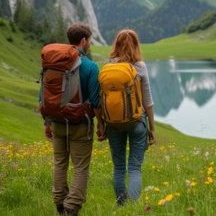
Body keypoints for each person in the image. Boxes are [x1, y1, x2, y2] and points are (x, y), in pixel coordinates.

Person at [43, 24, 100, 216]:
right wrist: (100, 124)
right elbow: (95, 101)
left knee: (60, 162)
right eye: (90, 40)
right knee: (80, 167)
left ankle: (59, 203)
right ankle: (71, 208)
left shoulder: (53, 63)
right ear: (84, 40)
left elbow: (44, 96)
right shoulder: (91, 66)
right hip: (80, 124)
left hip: (56, 121)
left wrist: (47, 122)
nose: (90, 43)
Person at [96, 29, 155, 206]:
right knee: (135, 168)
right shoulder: (140, 66)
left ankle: (121, 206)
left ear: (116, 45)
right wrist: (152, 128)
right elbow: (148, 101)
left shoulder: (109, 66)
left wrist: (101, 124)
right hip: (137, 123)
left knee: (119, 168)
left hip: (113, 124)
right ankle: (134, 208)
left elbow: (100, 99)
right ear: (136, 45)